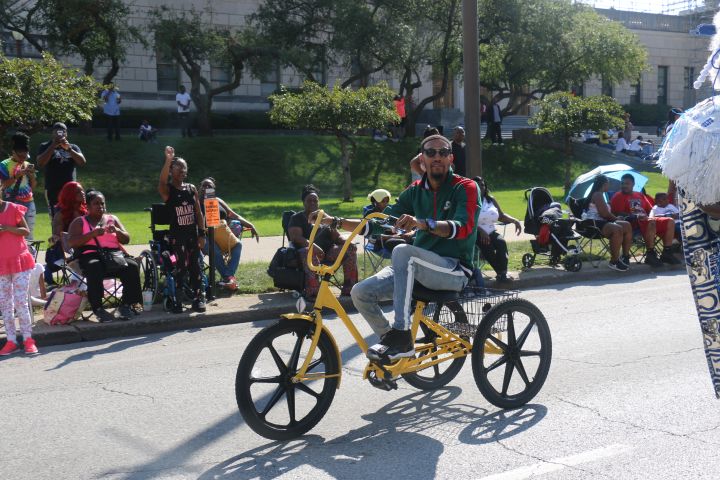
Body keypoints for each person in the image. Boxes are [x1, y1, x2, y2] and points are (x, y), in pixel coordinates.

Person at [314, 134, 479, 361]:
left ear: (451, 158)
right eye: (431, 153)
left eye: (443, 152)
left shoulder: (465, 187)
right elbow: (381, 222)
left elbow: (463, 227)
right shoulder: (414, 190)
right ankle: (393, 344)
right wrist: (337, 221)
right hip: (418, 267)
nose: (437, 157)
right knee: (360, 293)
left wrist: (422, 224)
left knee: (403, 252)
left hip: (454, 268)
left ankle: (402, 334)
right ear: (422, 159)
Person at [67, 190, 142, 322]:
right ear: (88, 206)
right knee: (94, 266)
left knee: (132, 266)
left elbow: (126, 239)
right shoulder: (80, 222)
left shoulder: (112, 219)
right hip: (90, 255)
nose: (100, 206)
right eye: (96, 203)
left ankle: (126, 305)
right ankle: (98, 308)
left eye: (102, 203)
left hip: (113, 256)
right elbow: (72, 242)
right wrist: (92, 234)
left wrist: (117, 231)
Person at [287, 184, 358, 299]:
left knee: (349, 248)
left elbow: (337, 236)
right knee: (307, 251)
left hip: (327, 252)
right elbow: (296, 237)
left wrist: (348, 243)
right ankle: (314, 292)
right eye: (309, 200)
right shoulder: (296, 218)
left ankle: (350, 288)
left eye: (315, 200)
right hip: (305, 253)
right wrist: (313, 246)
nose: (313, 203)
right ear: (303, 202)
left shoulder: (324, 217)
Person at [158, 146, 206, 313]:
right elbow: (162, 182)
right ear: (172, 171)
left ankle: (199, 298)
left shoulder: (191, 188)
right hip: (177, 235)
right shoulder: (168, 190)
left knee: (196, 266)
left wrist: (202, 234)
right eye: (178, 168)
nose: (182, 171)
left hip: (192, 234)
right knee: (180, 267)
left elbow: (199, 213)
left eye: (184, 168)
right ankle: (178, 300)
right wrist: (168, 160)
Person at [198, 177, 259, 291]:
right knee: (214, 250)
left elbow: (234, 215)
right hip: (204, 236)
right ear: (199, 188)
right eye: (204, 186)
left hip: (221, 233)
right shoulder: (196, 202)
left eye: (209, 186)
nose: (206, 188)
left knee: (238, 245)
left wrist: (251, 225)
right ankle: (228, 279)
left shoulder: (218, 200)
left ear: (214, 190)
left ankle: (227, 278)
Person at [609, 173, 679, 266]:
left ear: (633, 184)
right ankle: (650, 254)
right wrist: (635, 216)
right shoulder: (618, 196)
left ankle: (667, 252)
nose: (624, 186)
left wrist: (660, 214)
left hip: (647, 220)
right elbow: (617, 214)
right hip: (633, 223)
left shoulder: (639, 195)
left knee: (669, 220)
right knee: (651, 222)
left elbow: (651, 209)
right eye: (622, 183)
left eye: (627, 183)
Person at [0, 187, 38, 355]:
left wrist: (7, 228)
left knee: (20, 301)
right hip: (1, 264)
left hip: (19, 260)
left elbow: (25, 230)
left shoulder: (13, 208)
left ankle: (28, 339)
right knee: (5, 303)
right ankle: (11, 340)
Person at [580, 175, 633, 271]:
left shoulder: (600, 195)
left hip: (601, 222)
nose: (609, 186)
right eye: (608, 184)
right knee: (617, 228)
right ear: (604, 184)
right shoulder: (597, 194)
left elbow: (605, 214)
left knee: (627, 225)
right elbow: (604, 214)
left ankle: (625, 256)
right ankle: (614, 261)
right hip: (593, 225)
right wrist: (616, 218)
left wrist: (616, 217)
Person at [474, 176, 522, 282]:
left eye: (482, 185)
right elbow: (468, 220)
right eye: (477, 185)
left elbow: (501, 216)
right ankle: (501, 274)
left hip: (491, 231)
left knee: (501, 242)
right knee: (487, 245)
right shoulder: (470, 201)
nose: (481, 187)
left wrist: (515, 221)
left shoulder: (490, 200)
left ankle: (502, 273)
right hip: (476, 233)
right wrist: (481, 231)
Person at [36, 122, 86, 220]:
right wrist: (53, 145)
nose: (60, 134)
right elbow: (40, 163)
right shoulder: (44, 146)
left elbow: (82, 162)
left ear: (66, 133)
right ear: (52, 133)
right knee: (55, 216)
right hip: (52, 188)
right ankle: (57, 235)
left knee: (73, 215)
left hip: (71, 189)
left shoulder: (73, 147)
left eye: (62, 131)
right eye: (57, 131)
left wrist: (69, 149)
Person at [45, 181, 87, 285]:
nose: (82, 193)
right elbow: (56, 237)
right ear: (70, 195)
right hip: (71, 251)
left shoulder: (87, 212)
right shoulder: (60, 215)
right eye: (78, 192)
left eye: (82, 190)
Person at [0, 133, 37, 240]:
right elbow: (3, 185)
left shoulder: (27, 164)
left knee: (29, 233)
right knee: (14, 233)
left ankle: (29, 255)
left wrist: (32, 177)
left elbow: (33, 186)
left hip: (29, 202)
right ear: (13, 152)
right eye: (20, 156)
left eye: (25, 156)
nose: (22, 159)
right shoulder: (4, 165)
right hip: (12, 203)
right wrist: (17, 175)